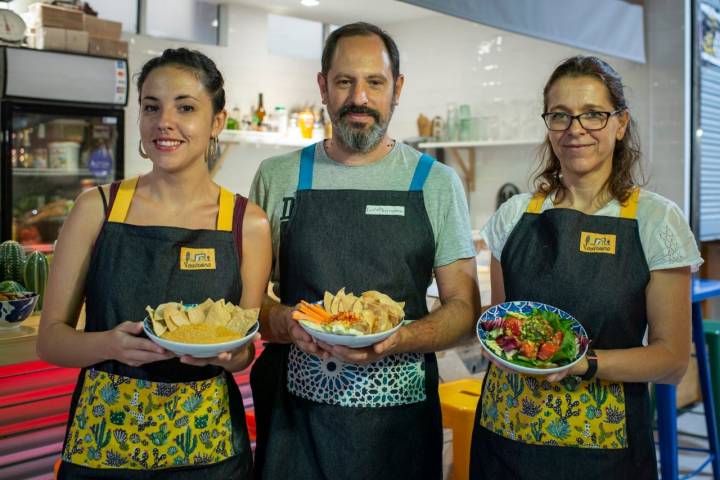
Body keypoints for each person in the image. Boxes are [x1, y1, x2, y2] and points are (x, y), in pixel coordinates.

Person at [248, 22, 481, 480]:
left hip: (398, 427)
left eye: (374, 82)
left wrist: (400, 338)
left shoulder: (434, 182)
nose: (359, 97)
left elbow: (464, 308)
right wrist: (290, 323)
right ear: (323, 87)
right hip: (296, 423)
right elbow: (248, 304)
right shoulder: (278, 176)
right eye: (344, 81)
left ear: (397, 88)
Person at [37, 48, 271, 479]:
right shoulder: (97, 208)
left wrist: (225, 355)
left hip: (208, 448)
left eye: (185, 107)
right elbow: (50, 341)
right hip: (103, 445)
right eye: (151, 107)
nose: (164, 121)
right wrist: (111, 344)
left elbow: (243, 350)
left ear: (217, 121)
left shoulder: (247, 223)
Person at [469, 55, 701, 479]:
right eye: (560, 115)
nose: (575, 129)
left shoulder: (655, 221)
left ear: (621, 123)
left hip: (603, 455)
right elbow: (497, 325)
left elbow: (671, 361)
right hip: (504, 442)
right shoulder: (514, 216)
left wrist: (583, 364)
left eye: (593, 114)